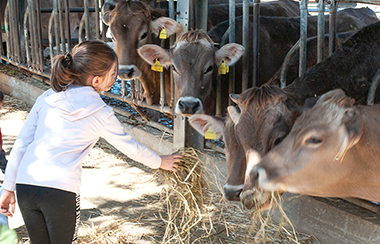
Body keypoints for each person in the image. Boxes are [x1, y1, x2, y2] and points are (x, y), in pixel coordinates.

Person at [0, 40, 181, 244]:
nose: (115, 78)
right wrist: (160, 161)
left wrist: (8, 188)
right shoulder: (100, 113)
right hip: (60, 190)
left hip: (26, 185)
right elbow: (130, 147)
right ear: (96, 81)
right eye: (113, 74)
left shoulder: (47, 97)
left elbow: (22, 143)